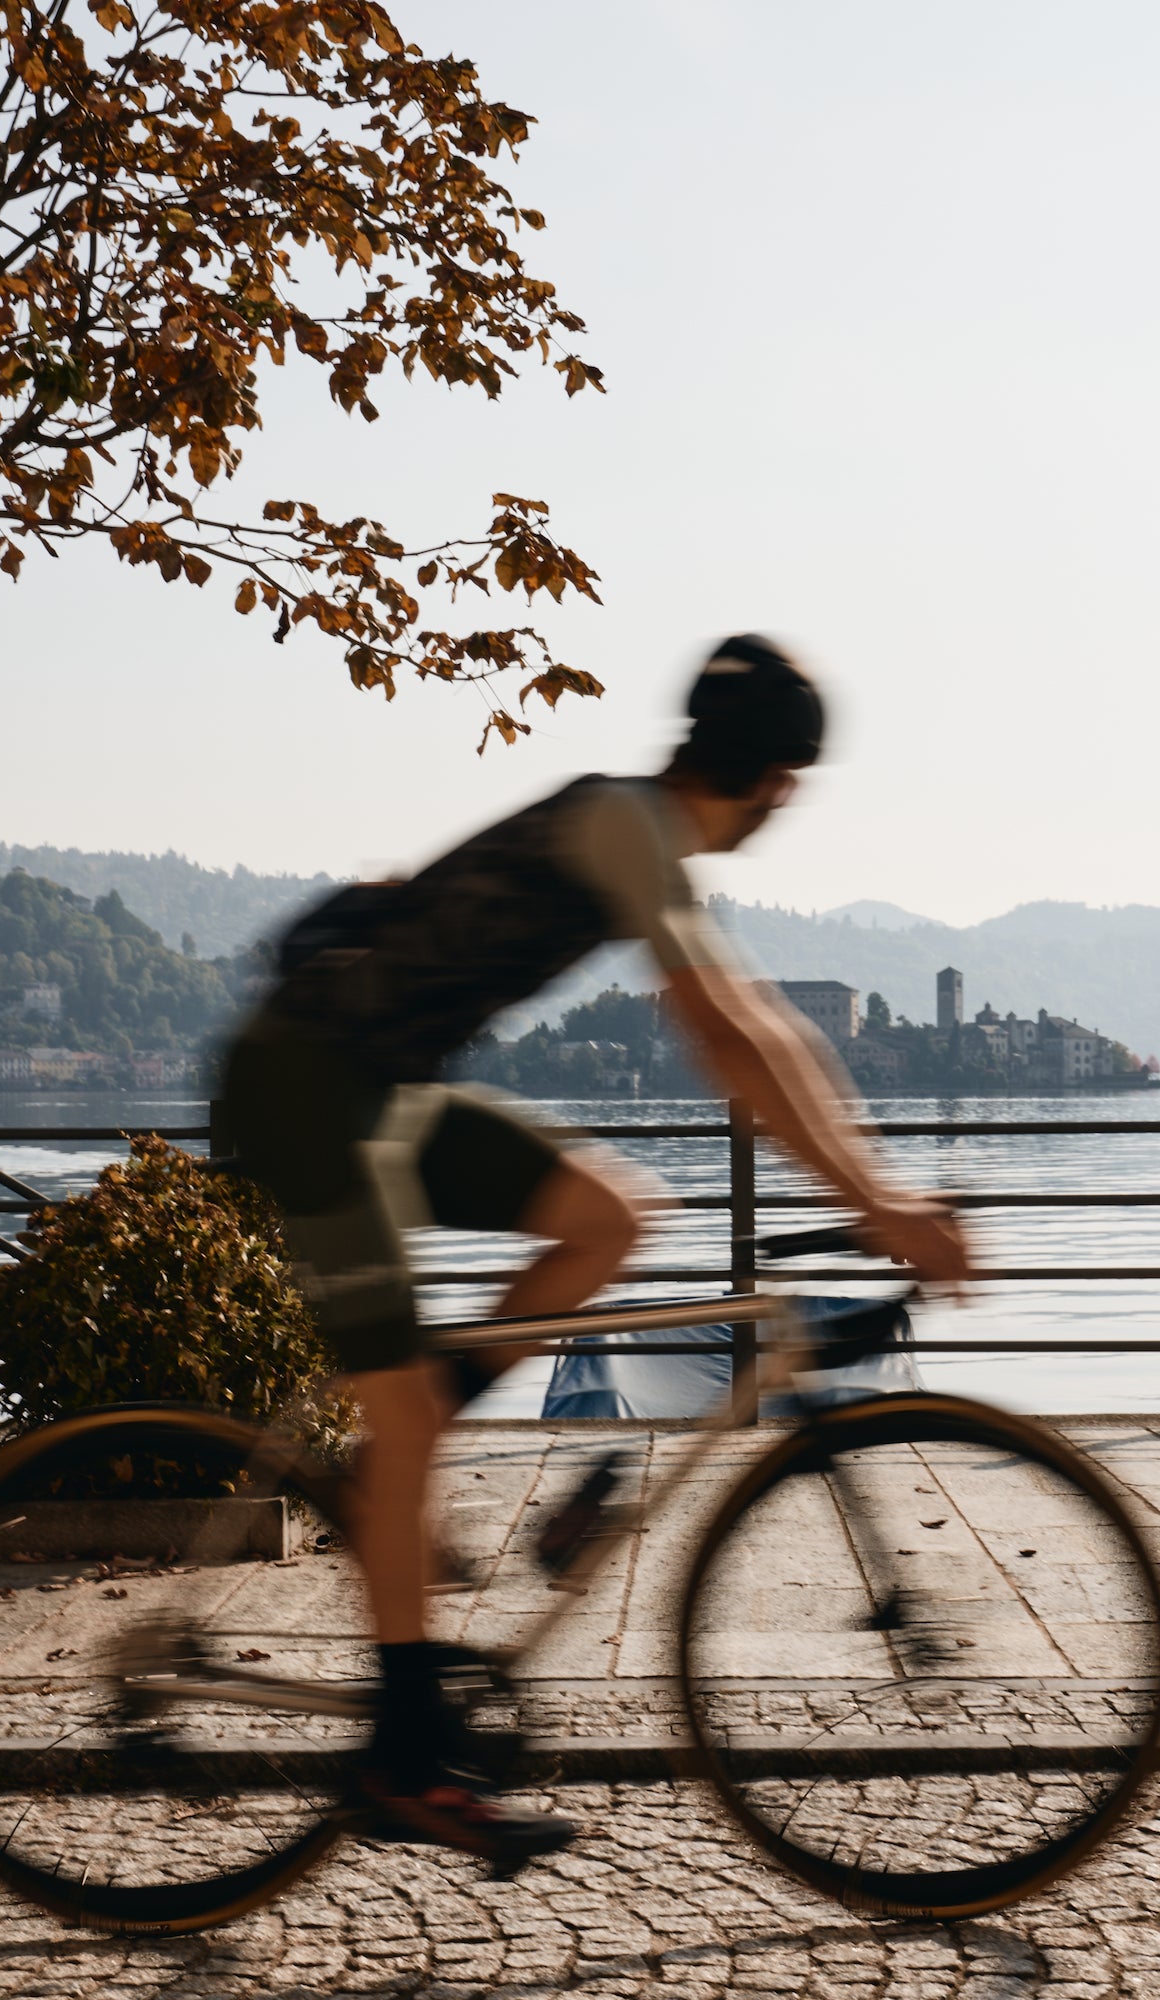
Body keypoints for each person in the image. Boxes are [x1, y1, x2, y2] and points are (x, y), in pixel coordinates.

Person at [217, 634, 975, 1869]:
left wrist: (875, 1187)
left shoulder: (643, 832)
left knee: (610, 1216)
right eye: (792, 782)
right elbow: (731, 1037)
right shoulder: (633, 829)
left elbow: (769, 1034)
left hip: (381, 1086)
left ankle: (396, 1463)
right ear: (777, 778)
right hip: (304, 1083)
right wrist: (884, 1208)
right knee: (399, 1417)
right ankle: (405, 1757)